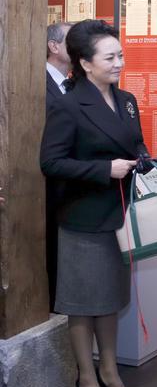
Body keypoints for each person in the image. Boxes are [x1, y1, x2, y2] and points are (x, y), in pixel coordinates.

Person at [40, 20, 144, 387]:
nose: (119, 63)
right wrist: (105, 170)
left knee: (111, 300)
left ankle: (111, 372)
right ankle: (87, 379)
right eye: (110, 57)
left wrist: (143, 158)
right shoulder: (67, 105)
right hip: (83, 219)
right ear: (85, 63)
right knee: (83, 304)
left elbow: (133, 142)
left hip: (119, 217)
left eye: (120, 55)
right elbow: (50, 162)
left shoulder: (128, 99)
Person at [45, 21, 73, 308]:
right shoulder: (36, 83)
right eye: (70, 40)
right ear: (54, 47)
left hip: (70, 189)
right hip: (44, 189)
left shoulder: (74, 85)